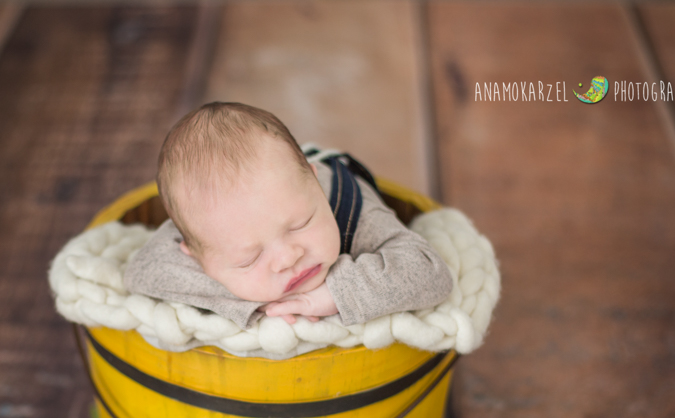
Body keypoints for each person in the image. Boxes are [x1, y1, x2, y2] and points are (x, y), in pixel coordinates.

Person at [123, 102, 452, 329]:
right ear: (194, 256)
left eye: (300, 224)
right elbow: (142, 272)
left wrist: (336, 293)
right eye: (249, 258)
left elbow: (430, 272)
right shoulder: (212, 224)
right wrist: (253, 304)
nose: (288, 257)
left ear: (314, 184)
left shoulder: (348, 206)